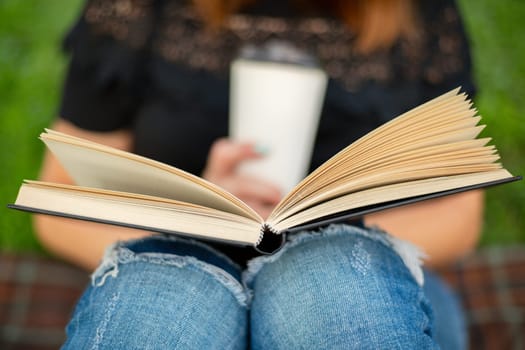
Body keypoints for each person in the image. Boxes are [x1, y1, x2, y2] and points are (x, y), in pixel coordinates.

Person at [35, 0, 481, 348]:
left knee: (335, 279)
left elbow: (458, 215)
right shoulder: (134, 9)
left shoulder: (417, 14)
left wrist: (321, 232)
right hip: (183, 255)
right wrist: (191, 221)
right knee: (161, 289)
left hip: (369, 267)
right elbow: (60, 199)